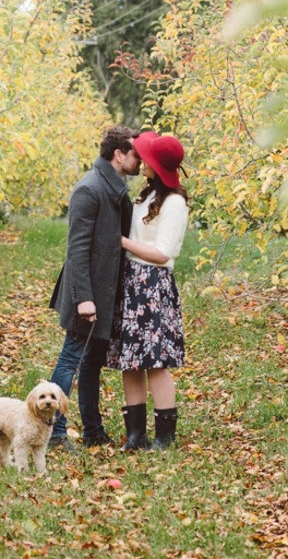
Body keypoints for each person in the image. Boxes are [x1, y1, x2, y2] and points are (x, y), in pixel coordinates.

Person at [48, 125, 141, 450]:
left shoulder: (111, 188)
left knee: (90, 362)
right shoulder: (90, 189)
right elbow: (77, 250)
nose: (140, 159)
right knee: (70, 360)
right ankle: (55, 435)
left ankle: (93, 432)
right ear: (119, 155)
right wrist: (84, 300)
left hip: (105, 293)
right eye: (135, 153)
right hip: (86, 295)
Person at [106, 130, 189, 451]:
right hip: (132, 282)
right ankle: (135, 434)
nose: (141, 161)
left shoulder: (175, 202)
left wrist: (121, 241)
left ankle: (164, 437)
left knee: (155, 361)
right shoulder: (148, 196)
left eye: (147, 159)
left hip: (153, 285)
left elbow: (163, 252)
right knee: (131, 360)